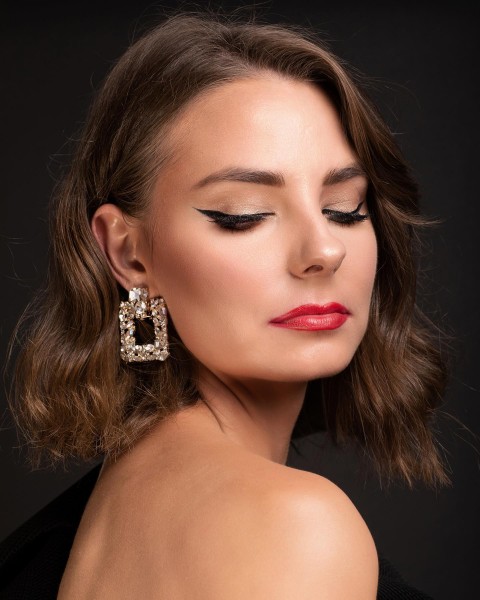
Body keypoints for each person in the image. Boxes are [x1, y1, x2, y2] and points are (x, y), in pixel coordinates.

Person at [2, 9, 450, 599]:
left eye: (345, 208)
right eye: (244, 215)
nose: (324, 249)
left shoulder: (99, 513)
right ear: (130, 254)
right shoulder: (294, 527)